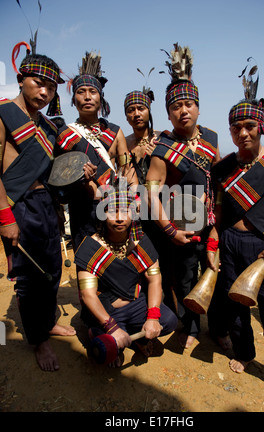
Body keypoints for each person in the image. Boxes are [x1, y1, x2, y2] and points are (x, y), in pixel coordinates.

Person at [207, 60, 264, 396]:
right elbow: (217, 209)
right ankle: (245, 353)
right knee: (235, 309)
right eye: (236, 128)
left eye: (249, 126)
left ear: (261, 127)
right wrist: (216, 234)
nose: (242, 133)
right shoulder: (223, 169)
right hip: (231, 242)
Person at [0, 44, 78, 372]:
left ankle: (45, 323)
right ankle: (38, 339)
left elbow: (58, 168)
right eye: (38, 83)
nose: (44, 92)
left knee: (53, 268)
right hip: (17, 205)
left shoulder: (48, 127)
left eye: (51, 87)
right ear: (21, 79)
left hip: (45, 204)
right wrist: (5, 217)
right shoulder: (3, 113)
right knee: (30, 277)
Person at [146, 44, 221, 349]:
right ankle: (187, 327)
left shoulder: (212, 140)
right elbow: (150, 192)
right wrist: (170, 230)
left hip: (209, 223)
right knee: (182, 278)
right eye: (176, 106)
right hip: (179, 226)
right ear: (168, 112)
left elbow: (220, 181)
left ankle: (216, 327)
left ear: (199, 107)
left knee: (214, 275)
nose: (184, 110)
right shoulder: (163, 150)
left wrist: (216, 220)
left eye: (189, 104)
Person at [74, 179, 178, 367]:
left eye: (125, 211)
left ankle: (136, 336)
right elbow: (87, 295)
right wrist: (112, 327)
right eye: (112, 211)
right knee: (107, 351)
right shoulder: (90, 248)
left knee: (168, 320)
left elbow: (155, 280)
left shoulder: (141, 242)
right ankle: (98, 330)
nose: (120, 218)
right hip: (108, 312)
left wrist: (153, 317)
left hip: (136, 304)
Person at [56, 51, 138, 250]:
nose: (87, 97)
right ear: (74, 99)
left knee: (116, 263)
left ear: (101, 98)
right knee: (88, 265)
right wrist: (81, 180)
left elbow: (128, 172)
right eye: (80, 92)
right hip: (82, 210)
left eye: (92, 92)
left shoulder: (114, 132)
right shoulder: (65, 135)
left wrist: (133, 202)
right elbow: (60, 182)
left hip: (114, 209)